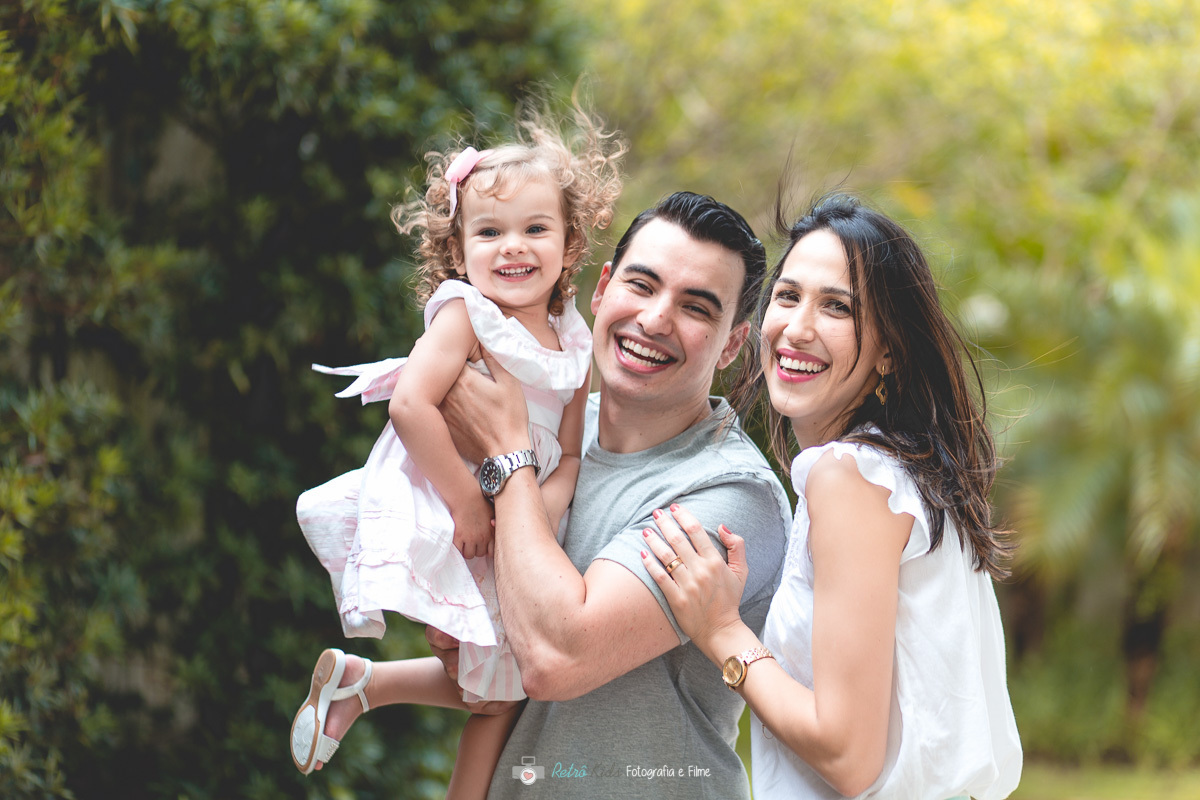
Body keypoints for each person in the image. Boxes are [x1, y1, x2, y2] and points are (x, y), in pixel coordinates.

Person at [311, 191, 792, 798]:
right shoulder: (552, 425)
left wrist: (507, 454)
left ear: (732, 344)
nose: (655, 319)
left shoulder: (732, 496)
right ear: (602, 290)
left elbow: (556, 658)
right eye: (641, 285)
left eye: (695, 307)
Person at [289, 105, 623, 800]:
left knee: (502, 690)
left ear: (570, 244)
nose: (513, 247)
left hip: (517, 522)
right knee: (502, 689)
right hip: (449, 503)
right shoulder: (465, 315)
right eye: (489, 232)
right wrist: (469, 503)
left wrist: (538, 516)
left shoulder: (573, 339)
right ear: (458, 249)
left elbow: (568, 453)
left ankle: (362, 684)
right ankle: (367, 687)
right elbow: (410, 406)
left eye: (535, 229)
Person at [640, 193, 1023, 799]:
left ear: (890, 351)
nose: (797, 329)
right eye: (787, 296)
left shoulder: (852, 477)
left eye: (837, 307)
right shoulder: (896, 472)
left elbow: (848, 756)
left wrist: (721, 631)